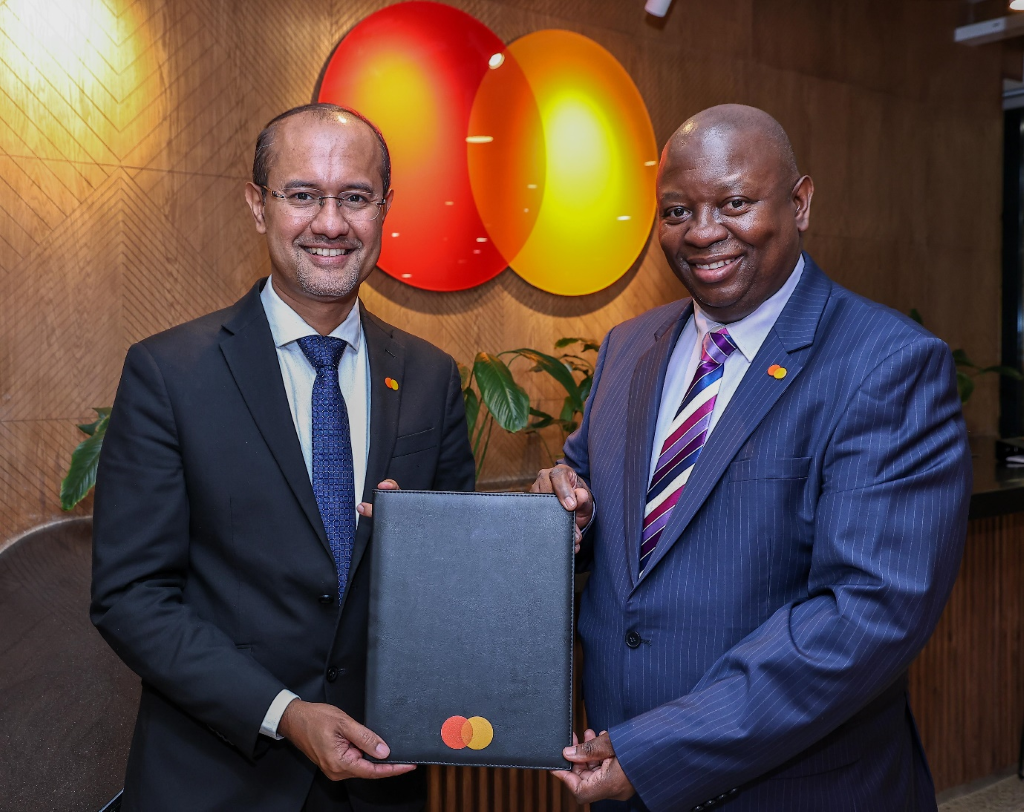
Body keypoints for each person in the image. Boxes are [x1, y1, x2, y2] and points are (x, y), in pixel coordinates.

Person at [534, 104, 971, 811]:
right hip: (620, 777)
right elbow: (594, 515)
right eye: (677, 210)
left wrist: (660, 751)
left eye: (734, 202)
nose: (703, 232)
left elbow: (864, 616)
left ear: (799, 204)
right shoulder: (627, 349)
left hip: (795, 789)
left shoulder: (888, 365)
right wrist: (564, 515)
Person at [91, 103, 475, 812]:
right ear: (258, 205)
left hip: (379, 779)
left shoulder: (431, 376)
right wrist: (284, 712)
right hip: (217, 778)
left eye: (355, 198)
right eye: (302, 195)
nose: (330, 223)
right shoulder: (169, 374)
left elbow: (453, 590)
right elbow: (131, 597)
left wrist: (419, 548)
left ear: (385, 208)